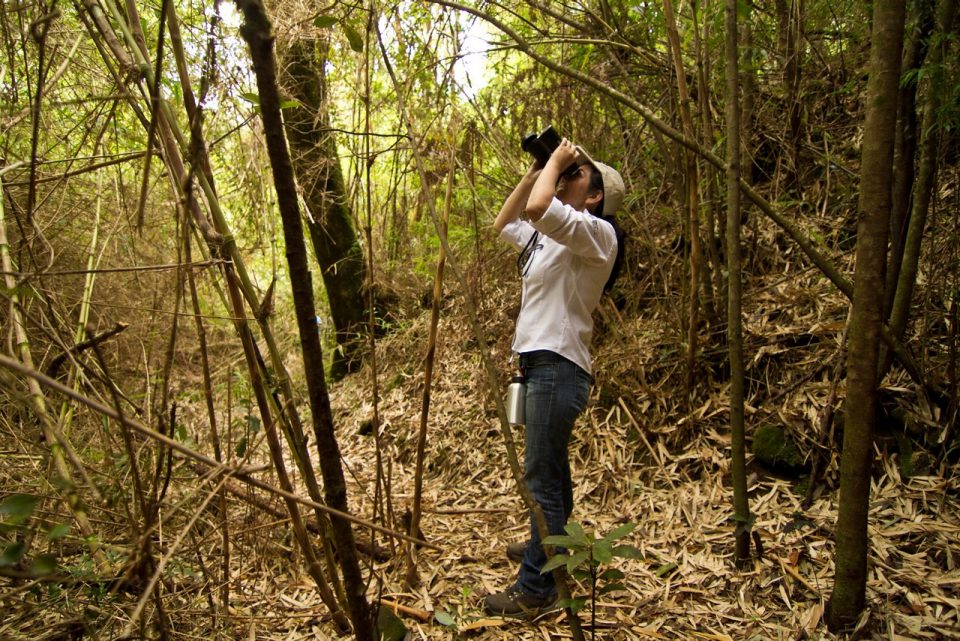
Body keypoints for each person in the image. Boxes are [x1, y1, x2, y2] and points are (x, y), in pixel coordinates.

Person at [484, 138, 625, 617]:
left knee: (541, 479)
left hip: (559, 367)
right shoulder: (550, 236)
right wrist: (536, 170)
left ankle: (535, 590)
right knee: (553, 478)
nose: (566, 176)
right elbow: (505, 223)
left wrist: (562, 161)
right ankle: (546, 551)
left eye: (577, 175)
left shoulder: (598, 234)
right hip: (539, 367)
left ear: (595, 196)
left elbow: (542, 206)